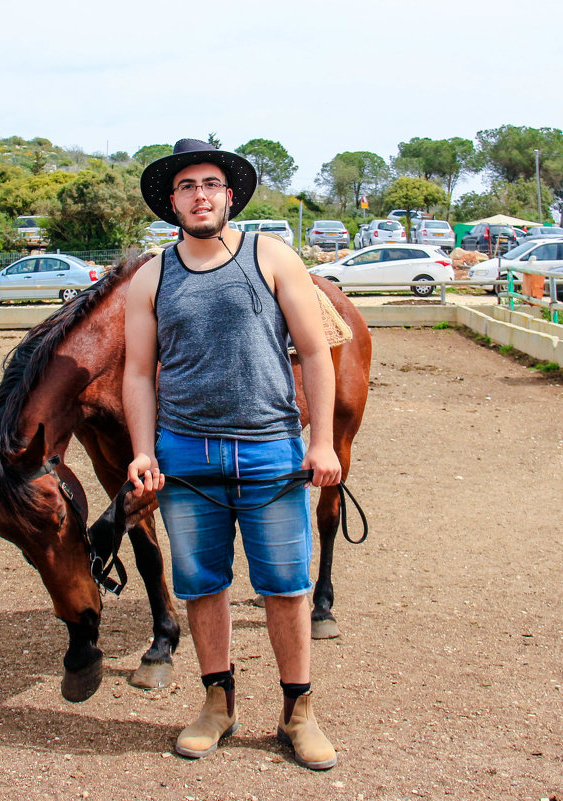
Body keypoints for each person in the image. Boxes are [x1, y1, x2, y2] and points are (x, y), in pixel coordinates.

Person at [123, 139, 342, 770]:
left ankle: (298, 711)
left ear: (229, 194)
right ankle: (216, 705)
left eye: (211, 184)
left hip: (271, 449)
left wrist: (321, 440)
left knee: (286, 587)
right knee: (201, 586)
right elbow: (139, 373)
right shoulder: (152, 275)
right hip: (185, 455)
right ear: (173, 202)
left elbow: (316, 351)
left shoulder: (271, 256)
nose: (200, 195)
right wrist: (143, 451)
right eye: (188, 186)